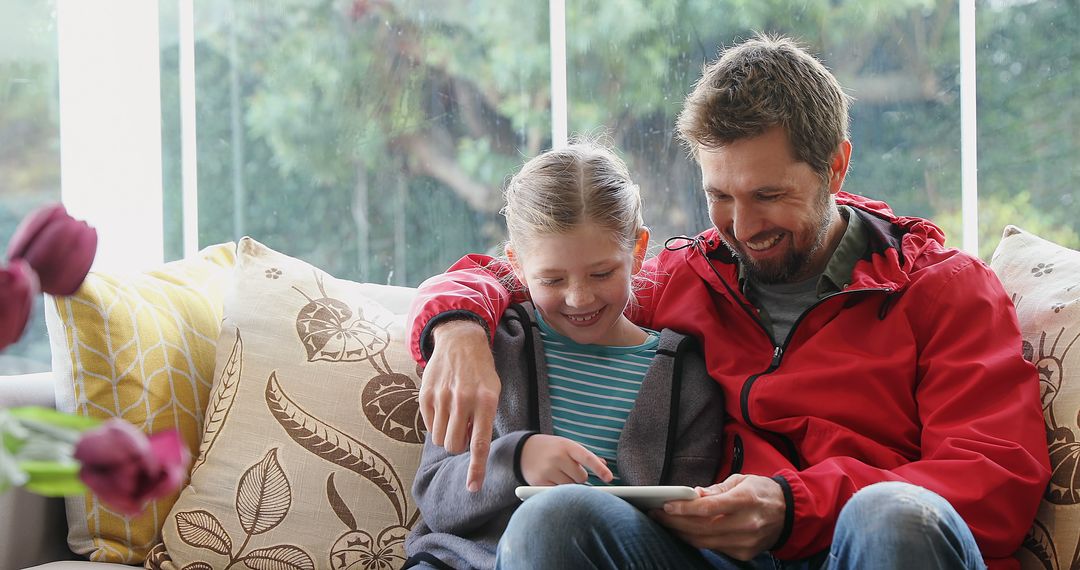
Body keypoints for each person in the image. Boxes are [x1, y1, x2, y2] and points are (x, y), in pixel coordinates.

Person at [407, 34, 1051, 570]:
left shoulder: (942, 288)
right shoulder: (690, 274)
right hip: (711, 557)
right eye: (721, 196)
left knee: (891, 513)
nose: (742, 227)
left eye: (768, 194)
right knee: (556, 520)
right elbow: (543, 277)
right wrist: (458, 324)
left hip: (861, 546)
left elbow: (995, 479)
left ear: (836, 167)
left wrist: (794, 505)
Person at [403, 141, 726, 570]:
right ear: (517, 265)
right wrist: (517, 460)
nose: (579, 297)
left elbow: (687, 524)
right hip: (467, 563)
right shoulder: (494, 350)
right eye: (552, 279)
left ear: (637, 251)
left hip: (605, 558)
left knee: (553, 521)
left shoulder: (685, 377)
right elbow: (438, 500)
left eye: (602, 273)